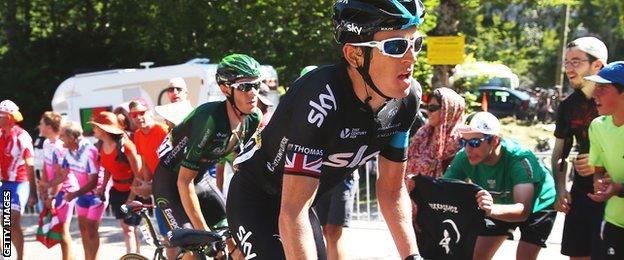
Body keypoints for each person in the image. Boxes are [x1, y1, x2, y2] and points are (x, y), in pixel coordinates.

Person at [226, 1, 426, 259]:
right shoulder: (321, 99)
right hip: (257, 199)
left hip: (303, 204)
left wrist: (412, 256)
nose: (411, 58)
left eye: (415, 43)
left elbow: (391, 190)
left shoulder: (407, 101)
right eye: (396, 46)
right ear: (354, 55)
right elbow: (291, 209)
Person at [152, 54, 263, 258]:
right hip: (171, 183)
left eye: (257, 85)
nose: (253, 93)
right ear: (225, 89)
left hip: (201, 180)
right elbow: (184, 181)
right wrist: (205, 232)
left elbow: (242, 166)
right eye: (245, 86)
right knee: (197, 247)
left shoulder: (253, 117)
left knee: (237, 245)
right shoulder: (209, 119)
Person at [443, 112, 556, 260]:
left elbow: (523, 211)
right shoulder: (464, 157)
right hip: (496, 203)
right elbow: (443, 190)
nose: (468, 149)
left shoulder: (520, 158)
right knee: (477, 256)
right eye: (463, 142)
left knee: (524, 257)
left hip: (537, 204)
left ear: (495, 141)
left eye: (475, 142)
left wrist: (490, 210)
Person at [550, 36, 608, 260]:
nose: (568, 68)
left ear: (597, 65)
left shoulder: (616, 99)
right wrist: (560, 188)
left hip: (613, 193)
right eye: (566, 62)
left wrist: (598, 164)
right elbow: (558, 153)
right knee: (577, 254)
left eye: (576, 61)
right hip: (581, 192)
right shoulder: (567, 105)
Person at [583, 61, 624, 259]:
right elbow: (598, 167)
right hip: (614, 223)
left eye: (603, 89)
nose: (594, 95)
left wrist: (619, 189)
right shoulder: (597, 126)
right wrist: (598, 180)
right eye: (595, 88)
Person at [90, 111, 143, 254]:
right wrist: (102, 187)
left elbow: (138, 176)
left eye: (96, 127)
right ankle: (135, 255)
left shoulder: (127, 146)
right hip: (117, 191)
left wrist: (130, 200)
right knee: (126, 229)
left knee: (130, 229)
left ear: (104, 130)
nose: (93, 130)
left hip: (133, 191)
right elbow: (107, 168)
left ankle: (133, 256)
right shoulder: (101, 146)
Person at [58, 121, 107, 260]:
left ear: (72, 137)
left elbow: (93, 183)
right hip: (82, 194)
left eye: (62, 136)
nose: (60, 139)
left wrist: (73, 194)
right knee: (83, 229)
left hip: (97, 194)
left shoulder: (89, 150)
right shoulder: (67, 151)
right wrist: (46, 185)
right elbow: (62, 175)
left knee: (91, 229)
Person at [37, 111, 78, 260]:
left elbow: (61, 176)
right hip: (55, 189)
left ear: (48, 126)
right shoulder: (47, 143)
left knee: (62, 230)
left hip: (65, 189)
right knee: (59, 230)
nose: (39, 126)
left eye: (41, 123)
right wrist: (43, 186)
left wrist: (52, 196)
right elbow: (45, 166)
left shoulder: (59, 147)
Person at [0, 99, 37, 260]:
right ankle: (5, 254)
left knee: (12, 222)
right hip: (5, 183)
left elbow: (30, 165)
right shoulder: (0, 134)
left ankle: (19, 258)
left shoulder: (22, 136)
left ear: (9, 117)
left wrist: (33, 193)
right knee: (5, 223)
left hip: (19, 183)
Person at [407, 87, 465, 178]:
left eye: (432, 108)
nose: (428, 112)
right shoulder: (422, 134)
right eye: (428, 107)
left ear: (448, 110)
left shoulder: (460, 141)